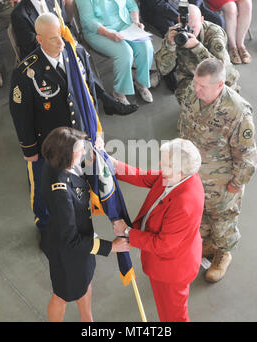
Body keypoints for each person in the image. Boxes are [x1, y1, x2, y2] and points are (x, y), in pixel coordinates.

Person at [9, 13, 109, 231]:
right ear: (40, 40)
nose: (61, 43)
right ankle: (44, 223)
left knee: (77, 181)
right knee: (45, 186)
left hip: (76, 140)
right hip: (48, 144)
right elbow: (20, 113)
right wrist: (29, 149)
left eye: (62, 35)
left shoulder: (77, 56)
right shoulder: (27, 72)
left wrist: (96, 132)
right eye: (54, 38)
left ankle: (77, 213)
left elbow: (89, 96)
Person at [178, 58, 257, 283]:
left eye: (202, 86)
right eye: (195, 83)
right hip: (193, 173)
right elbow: (183, 128)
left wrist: (236, 183)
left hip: (222, 180)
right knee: (198, 215)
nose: (196, 89)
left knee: (222, 219)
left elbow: (247, 154)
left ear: (220, 85)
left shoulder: (237, 111)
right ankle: (207, 244)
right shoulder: (192, 95)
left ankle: (223, 253)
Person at [40, 127, 129, 322]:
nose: (83, 152)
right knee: (62, 296)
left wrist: (96, 147)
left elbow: (84, 158)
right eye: (79, 150)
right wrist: (110, 247)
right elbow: (70, 240)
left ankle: (87, 320)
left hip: (80, 242)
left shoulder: (56, 162)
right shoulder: (60, 192)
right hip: (68, 252)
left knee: (85, 282)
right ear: (66, 156)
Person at [111, 138, 204, 322]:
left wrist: (128, 232)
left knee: (173, 316)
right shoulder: (176, 176)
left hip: (172, 269)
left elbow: (162, 245)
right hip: (167, 260)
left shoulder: (185, 204)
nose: (160, 164)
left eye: (166, 163)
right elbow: (145, 177)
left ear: (180, 170)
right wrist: (113, 165)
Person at [10, 0, 138, 116]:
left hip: (62, 47)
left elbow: (66, 26)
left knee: (80, 55)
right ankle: (103, 101)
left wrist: (72, 43)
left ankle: (97, 103)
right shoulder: (19, 13)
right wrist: (62, 49)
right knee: (74, 61)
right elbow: (31, 44)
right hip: (42, 56)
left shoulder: (54, 1)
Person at [75, 0, 154, 104]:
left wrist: (136, 22)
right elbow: (88, 20)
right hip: (98, 31)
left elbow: (131, 5)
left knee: (146, 46)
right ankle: (119, 92)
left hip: (124, 25)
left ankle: (140, 83)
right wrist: (109, 34)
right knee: (125, 53)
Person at [155, 4, 239, 102]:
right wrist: (170, 46)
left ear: (202, 20)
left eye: (193, 27)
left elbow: (220, 69)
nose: (189, 32)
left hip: (220, 77)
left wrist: (197, 47)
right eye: (186, 28)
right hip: (191, 75)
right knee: (189, 103)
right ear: (179, 20)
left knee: (222, 105)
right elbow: (163, 69)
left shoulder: (214, 33)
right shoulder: (175, 33)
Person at [138, 0, 225, 38]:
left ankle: (212, 56)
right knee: (174, 31)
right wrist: (180, 16)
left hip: (190, 7)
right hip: (159, 11)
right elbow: (157, 4)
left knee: (217, 20)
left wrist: (194, 11)